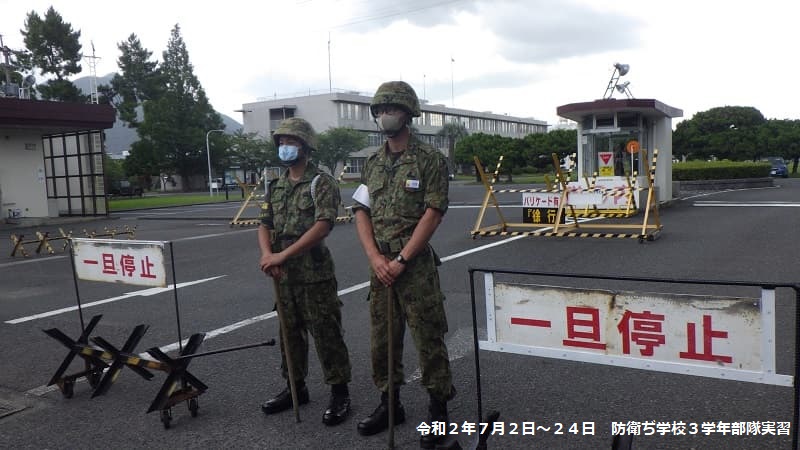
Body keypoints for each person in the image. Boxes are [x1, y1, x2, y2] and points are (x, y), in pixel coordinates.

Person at [351, 81, 455, 449]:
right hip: (380, 267)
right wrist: (376, 258)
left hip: (414, 267)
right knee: (383, 341)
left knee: (428, 338)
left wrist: (401, 259)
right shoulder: (373, 163)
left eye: (391, 109)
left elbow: (434, 212)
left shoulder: (429, 159)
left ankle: (438, 411)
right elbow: (360, 211)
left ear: (409, 114)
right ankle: (389, 404)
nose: (384, 115)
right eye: (379, 110)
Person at [258, 117, 352, 426]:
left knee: (326, 332)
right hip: (283, 275)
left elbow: (323, 226)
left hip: (314, 272)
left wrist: (282, 254)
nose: (285, 147)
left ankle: (339, 392)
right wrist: (268, 255)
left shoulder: (320, 182)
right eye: (282, 142)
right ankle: (294, 387)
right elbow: (265, 224)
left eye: (292, 142)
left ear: (305, 146)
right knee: (288, 334)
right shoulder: (276, 185)